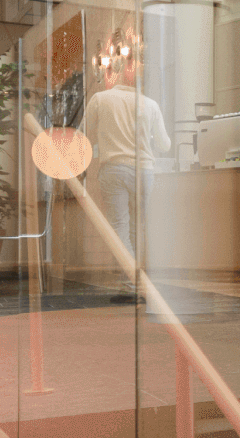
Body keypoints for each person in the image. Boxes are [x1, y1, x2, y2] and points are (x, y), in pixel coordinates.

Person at [81, 27, 168, 301]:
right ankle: (137, 282)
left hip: (113, 169)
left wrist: (101, 147)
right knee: (138, 228)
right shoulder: (150, 104)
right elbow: (164, 144)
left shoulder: (100, 99)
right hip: (145, 171)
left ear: (111, 74)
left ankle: (133, 283)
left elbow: (83, 137)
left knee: (119, 226)